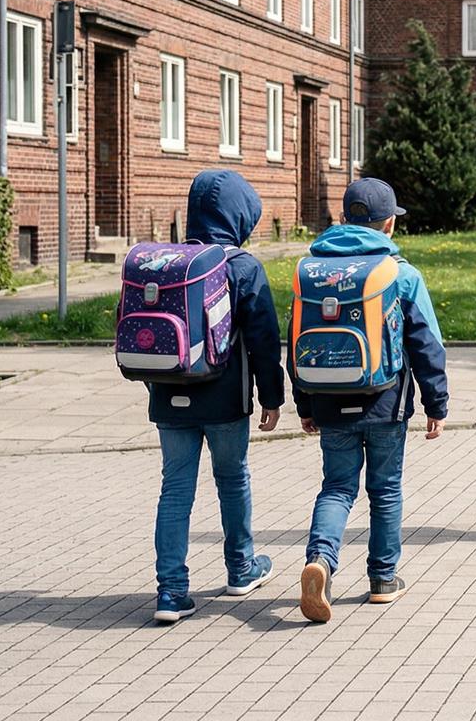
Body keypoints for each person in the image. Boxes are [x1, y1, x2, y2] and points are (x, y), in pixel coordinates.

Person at [295, 178, 449, 623]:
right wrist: (436, 404)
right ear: (389, 225)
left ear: (344, 219)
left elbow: (297, 339)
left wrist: (304, 404)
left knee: (337, 487)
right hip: (386, 402)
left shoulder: (313, 270)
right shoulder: (401, 274)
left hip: (328, 396)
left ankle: (320, 561)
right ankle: (382, 579)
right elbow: (427, 345)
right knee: (385, 490)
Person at [149, 170, 283, 624]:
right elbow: (264, 339)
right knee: (233, 478)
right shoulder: (241, 266)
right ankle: (241, 568)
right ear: (238, 216)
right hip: (225, 400)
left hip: (170, 398)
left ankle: (171, 592)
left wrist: (158, 386)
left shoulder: (167, 264)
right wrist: (271, 396)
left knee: (175, 489)